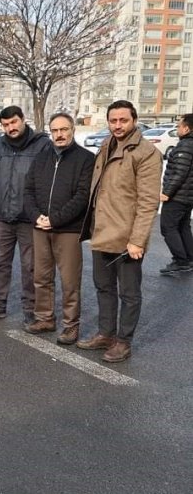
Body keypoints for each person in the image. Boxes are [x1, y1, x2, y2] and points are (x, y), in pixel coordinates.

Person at [78, 100, 161, 363]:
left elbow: (148, 202)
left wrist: (138, 240)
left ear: (134, 120)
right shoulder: (106, 145)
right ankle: (106, 333)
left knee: (129, 293)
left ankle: (123, 342)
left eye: (123, 120)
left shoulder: (146, 153)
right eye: (113, 120)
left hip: (127, 238)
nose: (117, 125)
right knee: (103, 287)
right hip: (102, 231)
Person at [22, 113, 94, 344]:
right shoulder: (41, 157)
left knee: (70, 281)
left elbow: (82, 196)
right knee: (41, 277)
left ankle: (71, 325)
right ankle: (45, 318)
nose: (59, 134)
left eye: (64, 129)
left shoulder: (85, 159)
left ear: (73, 129)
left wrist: (55, 219)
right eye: (55, 130)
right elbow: (28, 191)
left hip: (68, 230)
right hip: (40, 227)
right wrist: (37, 216)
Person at [0, 106, 51, 323]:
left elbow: (47, 181)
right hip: (3, 216)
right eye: (6, 125)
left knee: (31, 267)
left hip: (30, 217)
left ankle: (30, 310)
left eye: (14, 122)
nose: (11, 127)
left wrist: (42, 212)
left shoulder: (41, 144)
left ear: (23, 120)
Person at [158, 113, 193, 274]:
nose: (177, 128)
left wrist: (167, 192)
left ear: (186, 129)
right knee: (183, 226)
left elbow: (180, 172)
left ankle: (180, 261)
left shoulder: (185, 146)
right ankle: (189, 258)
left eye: (179, 126)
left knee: (168, 227)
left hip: (178, 196)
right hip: (187, 195)